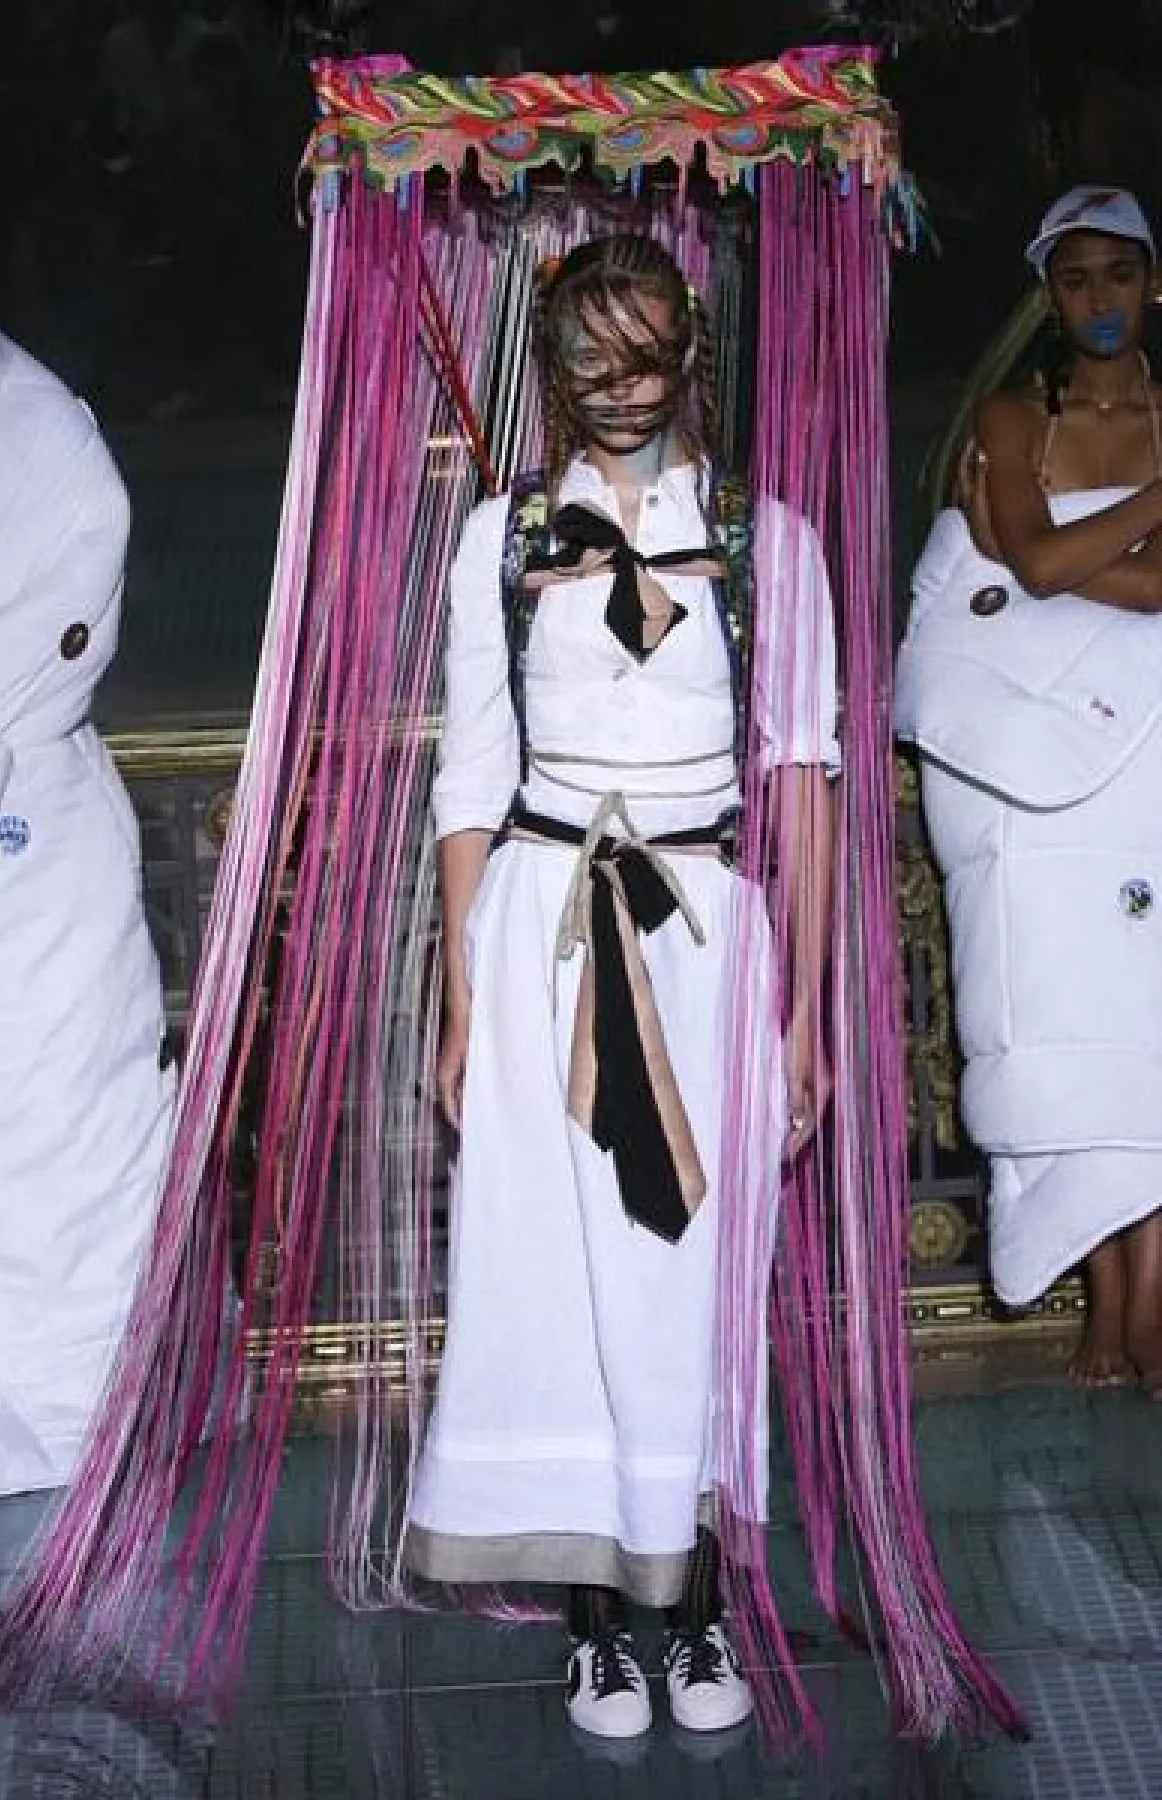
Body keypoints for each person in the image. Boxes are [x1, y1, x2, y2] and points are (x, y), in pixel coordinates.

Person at [402, 233, 839, 1739]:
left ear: (690, 354)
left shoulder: (767, 540)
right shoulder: (502, 539)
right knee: (553, 1273)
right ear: (552, 364)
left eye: (645, 352)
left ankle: (698, 1605)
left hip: (706, 935)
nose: (619, 384)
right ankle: (598, 1624)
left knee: (692, 1271)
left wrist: (806, 1010)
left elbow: (801, 778)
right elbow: (471, 779)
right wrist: (462, 999)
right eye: (589, 356)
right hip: (540, 930)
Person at [896, 185, 1162, 1391]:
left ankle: (1150, 1299)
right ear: (1049, 296)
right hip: (1039, 767)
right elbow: (1043, 567)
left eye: (1120, 274)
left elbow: (1087, 571)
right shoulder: (1011, 418)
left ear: (1152, 283)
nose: (1100, 298)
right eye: (1076, 278)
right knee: (1057, 998)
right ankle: (1103, 1292)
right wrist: (1066, 542)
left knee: (1144, 1006)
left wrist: (1042, 550)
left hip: (1143, 739)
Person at [0, 276, 174, 1501]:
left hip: (27, 861)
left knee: (54, 1166)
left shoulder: (40, 438)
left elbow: (9, 685)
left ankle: (78, 1421)